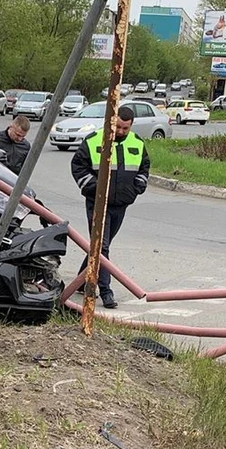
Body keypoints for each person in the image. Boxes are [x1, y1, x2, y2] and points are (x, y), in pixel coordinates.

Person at [71, 105, 150, 310]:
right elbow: (78, 166)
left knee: (99, 247)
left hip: (121, 204)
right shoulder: (94, 140)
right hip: (98, 204)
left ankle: (81, 280)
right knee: (102, 247)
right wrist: (93, 188)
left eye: (126, 128)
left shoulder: (137, 143)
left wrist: (137, 188)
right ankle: (105, 291)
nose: (121, 132)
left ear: (131, 126)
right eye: (119, 127)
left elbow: (144, 167)